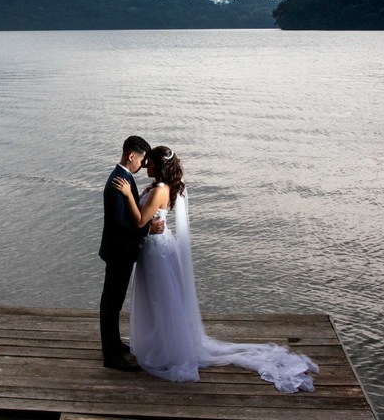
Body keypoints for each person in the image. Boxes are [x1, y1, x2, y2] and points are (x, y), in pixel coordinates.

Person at [112, 145, 318, 392]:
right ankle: (160, 345)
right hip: (155, 247)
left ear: (159, 166)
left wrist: (127, 194)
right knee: (158, 300)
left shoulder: (159, 190)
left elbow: (139, 221)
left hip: (157, 250)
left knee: (161, 301)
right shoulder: (159, 187)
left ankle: (166, 352)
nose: (146, 165)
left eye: (151, 163)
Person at [98, 135, 160, 372]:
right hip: (118, 251)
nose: (143, 166)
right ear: (132, 155)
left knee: (114, 301)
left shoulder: (125, 177)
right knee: (111, 302)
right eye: (142, 161)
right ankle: (111, 356)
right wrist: (146, 228)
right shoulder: (118, 182)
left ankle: (114, 343)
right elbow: (118, 223)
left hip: (120, 250)